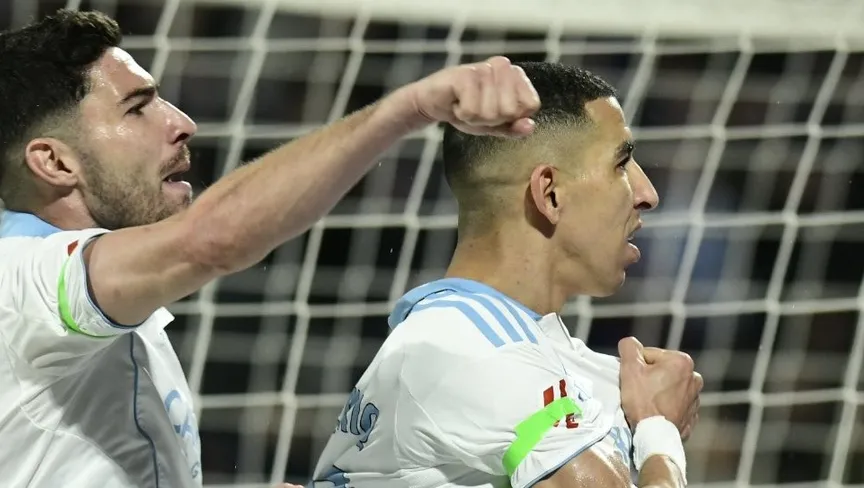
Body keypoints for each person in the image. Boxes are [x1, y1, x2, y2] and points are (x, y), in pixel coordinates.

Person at [0, 9, 541, 488]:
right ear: (55, 162)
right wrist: (411, 107)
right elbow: (210, 240)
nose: (183, 123)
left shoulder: (97, 298)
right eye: (138, 108)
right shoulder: (23, 275)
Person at [311, 62, 703, 488]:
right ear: (550, 194)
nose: (647, 194)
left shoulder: (511, 349)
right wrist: (659, 431)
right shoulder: (471, 349)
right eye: (621, 163)